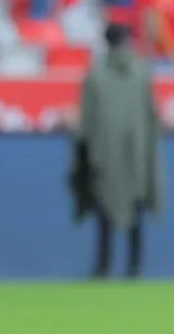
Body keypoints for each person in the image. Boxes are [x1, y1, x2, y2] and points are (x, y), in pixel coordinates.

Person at [70, 23, 164, 279]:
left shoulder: (95, 75)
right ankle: (135, 267)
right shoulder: (141, 72)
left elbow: (86, 121)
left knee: (105, 212)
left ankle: (103, 266)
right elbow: (152, 115)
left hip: (105, 154)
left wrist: (84, 155)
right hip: (136, 154)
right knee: (135, 212)